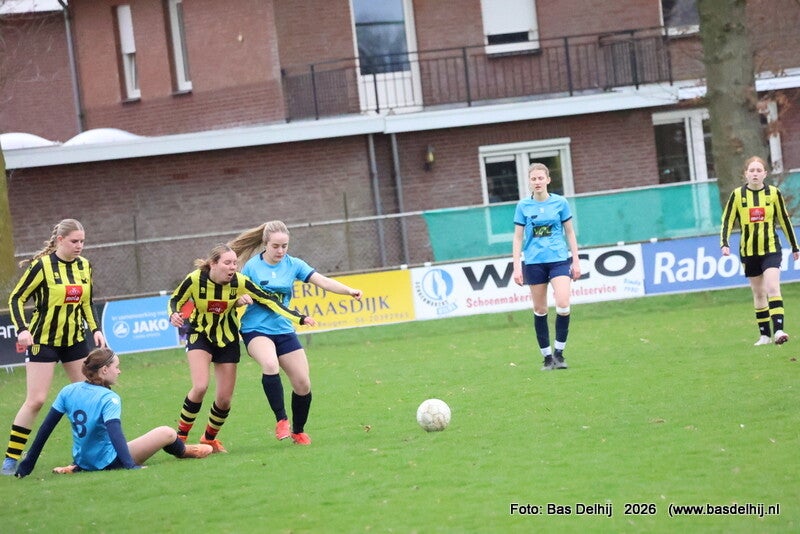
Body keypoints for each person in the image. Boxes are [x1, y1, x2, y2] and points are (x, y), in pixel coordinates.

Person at [168, 243, 316, 453]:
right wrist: (173, 314)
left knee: (224, 400)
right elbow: (175, 300)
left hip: (228, 339)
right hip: (200, 335)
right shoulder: (195, 279)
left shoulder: (239, 282)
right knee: (200, 387)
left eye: (235, 263)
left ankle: (209, 439)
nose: (233, 267)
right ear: (213, 264)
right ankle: (180, 438)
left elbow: (269, 300)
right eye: (227, 263)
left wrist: (299, 317)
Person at [229, 221, 362, 445]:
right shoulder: (252, 267)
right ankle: (281, 420)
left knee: (303, 384)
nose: (280, 251)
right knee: (270, 364)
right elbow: (232, 294)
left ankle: (298, 431)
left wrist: (348, 290)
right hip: (256, 329)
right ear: (265, 244)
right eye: (275, 246)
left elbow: (322, 281)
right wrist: (239, 299)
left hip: (284, 329)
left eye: (284, 246)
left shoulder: (294, 264)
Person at [3, 219, 107, 476]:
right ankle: (11, 458)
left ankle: (92, 454)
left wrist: (96, 329)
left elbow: (87, 302)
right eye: (74, 241)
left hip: (74, 341)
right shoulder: (42, 266)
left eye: (82, 241)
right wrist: (22, 329)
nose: (79, 246)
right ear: (60, 240)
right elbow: (16, 298)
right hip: (43, 341)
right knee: (36, 400)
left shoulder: (84, 266)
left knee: (88, 397)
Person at [14, 348, 213, 478]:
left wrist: (28, 463)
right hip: (110, 461)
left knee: (102, 444)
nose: (119, 371)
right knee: (167, 432)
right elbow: (115, 433)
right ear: (104, 370)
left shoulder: (67, 391)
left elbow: (45, 429)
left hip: (83, 460)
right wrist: (130, 465)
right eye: (116, 367)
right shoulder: (109, 398)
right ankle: (185, 451)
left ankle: (75, 467)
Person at [720, 155, 800, 346]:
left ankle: (779, 330)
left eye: (758, 170)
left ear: (765, 174)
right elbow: (727, 220)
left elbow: (784, 220)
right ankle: (764, 336)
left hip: (771, 249)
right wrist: (724, 243)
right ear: (745, 174)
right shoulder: (737, 195)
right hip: (749, 252)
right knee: (758, 293)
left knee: (772, 287)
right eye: (752, 170)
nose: (755, 174)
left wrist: (794, 246)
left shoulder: (773, 193)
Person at [512, 163, 581, 371]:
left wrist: (576, 260)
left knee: (563, 304)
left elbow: (570, 232)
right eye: (533, 179)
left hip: (558, 259)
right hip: (534, 262)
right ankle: (547, 358)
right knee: (540, 310)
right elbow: (518, 238)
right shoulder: (523, 206)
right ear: (529, 182)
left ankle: (559, 353)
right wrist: (517, 267)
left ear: (548, 180)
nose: (537, 182)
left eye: (541, 178)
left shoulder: (560, 202)